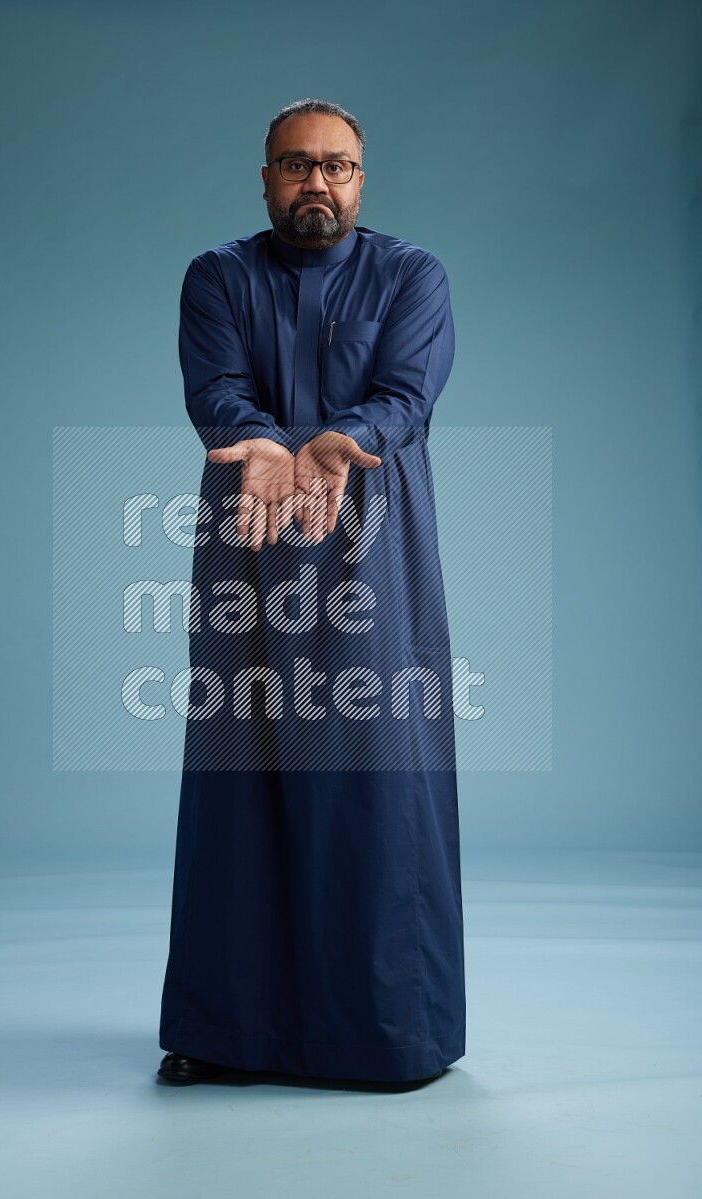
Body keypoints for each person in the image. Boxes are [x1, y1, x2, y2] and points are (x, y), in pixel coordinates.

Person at [157, 98, 465, 1089]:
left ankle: (386, 1029)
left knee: (373, 771)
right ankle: (226, 1029)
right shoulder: (218, 276)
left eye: (335, 166)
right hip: (247, 539)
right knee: (238, 767)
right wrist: (268, 444)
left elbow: (406, 394)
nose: (315, 183)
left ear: (360, 180)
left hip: (369, 539)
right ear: (264, 180)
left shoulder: (411, 274)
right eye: (295, 166)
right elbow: (217, 392)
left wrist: (338, 440)